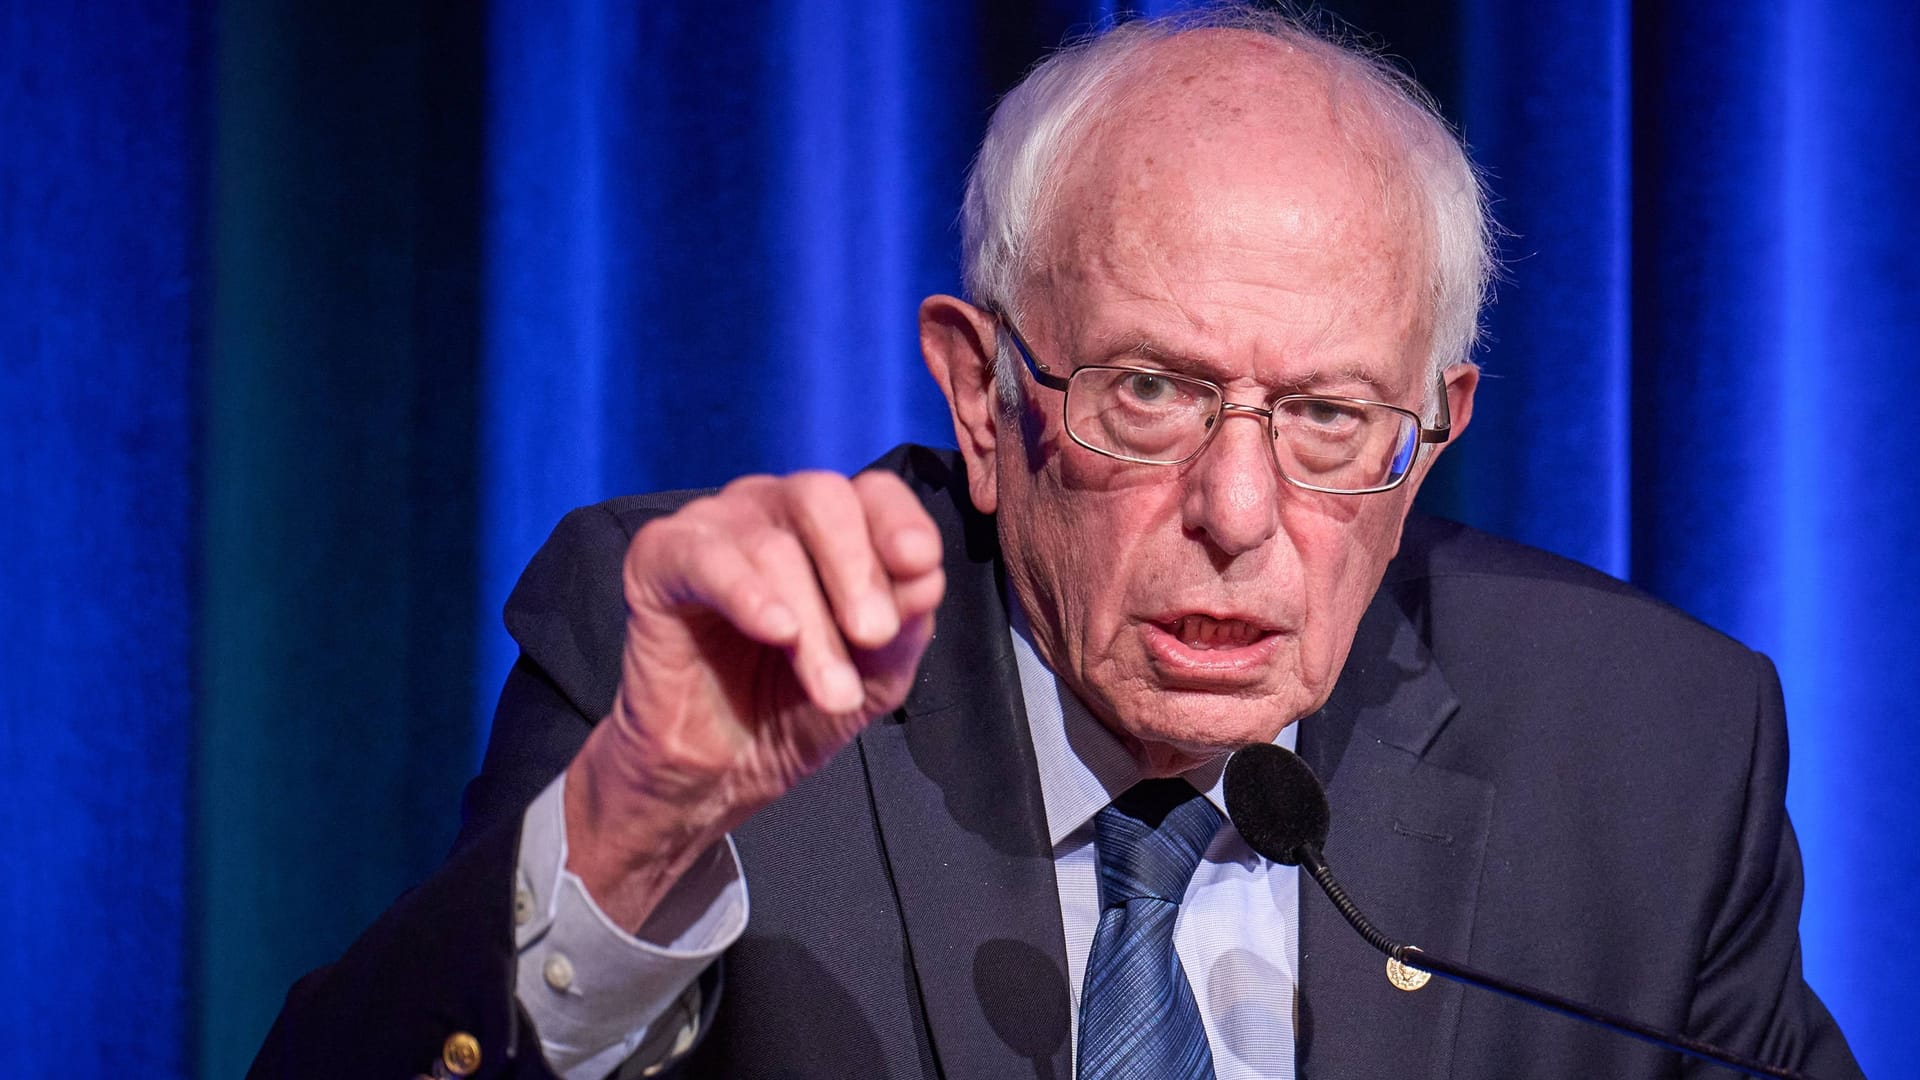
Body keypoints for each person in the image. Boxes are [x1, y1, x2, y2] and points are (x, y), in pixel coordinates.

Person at [251, 8, 1862, 1079]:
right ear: (979, 394)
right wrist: (630, 827)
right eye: (1150, 393)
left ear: (1434, 427)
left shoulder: (1653, 751)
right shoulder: (718, 656)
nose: (1240, 517)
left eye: (1328, 420)